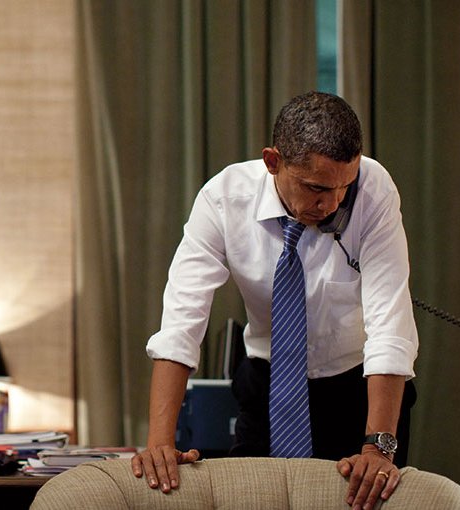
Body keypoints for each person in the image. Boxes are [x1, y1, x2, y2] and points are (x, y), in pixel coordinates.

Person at [131, 91, 418, 510]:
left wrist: (378, 448)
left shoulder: (374, 190)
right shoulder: (224, 199)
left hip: (358, 390)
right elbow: (181, 322)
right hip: (268, 385)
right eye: (317, 187)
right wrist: (160, 442)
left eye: (343, 187)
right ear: (273, 162)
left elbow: (390, 324)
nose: (333, 203)